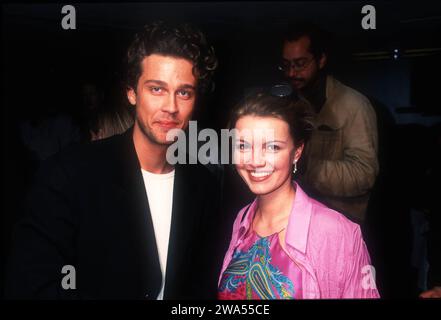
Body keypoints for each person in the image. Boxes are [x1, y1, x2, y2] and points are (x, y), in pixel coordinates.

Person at [5, 21, 222, 300]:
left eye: (183, 92)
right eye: (157, 89)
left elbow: (202, 288)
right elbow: (29, 286)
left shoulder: (203, 185)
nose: (171, 106)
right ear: (131, 92)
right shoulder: (69, 174)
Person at [218, 86, 380, 299]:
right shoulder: (242, 219)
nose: (254, 161)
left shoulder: (337, 233)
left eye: (273, 147)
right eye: (243, 146)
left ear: (297, 151)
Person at [279, 23, 378, 223]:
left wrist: (305, 167)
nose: (291, 73)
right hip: (298, 221)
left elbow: (365, 175)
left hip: (341, 224)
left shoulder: (355, 104)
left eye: (300, 64)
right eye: (286, 65)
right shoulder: (287, 105)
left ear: (321, 60)